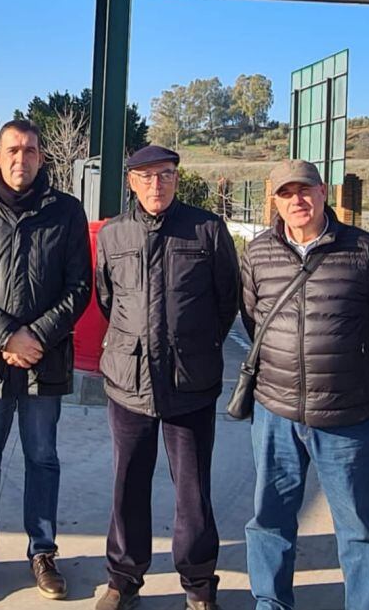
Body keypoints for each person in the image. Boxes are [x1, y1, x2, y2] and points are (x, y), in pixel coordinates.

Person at [241, 159, 369, 610]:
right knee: (270, 519)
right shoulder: (258, 254)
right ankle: (271, 602)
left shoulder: (364, 250)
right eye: (286, 193)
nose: (298, 200)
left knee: (357, 527)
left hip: (346, 415)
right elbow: (252, 320)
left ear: (323, 191)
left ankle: (363, 605)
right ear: (273, 200)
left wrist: (353, 368)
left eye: (305, 190)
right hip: (276, 411)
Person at [0, 119, 91, 603]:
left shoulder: (66, 212)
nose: (21, 158)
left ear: (41, 158)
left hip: (45, 361)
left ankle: (42, 552)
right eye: (13, 149)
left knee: (42, 458)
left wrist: (37, 337)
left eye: (30, 150)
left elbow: (79, 287)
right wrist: (9, 335)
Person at [94, 144, 240, 610]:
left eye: (166, 175)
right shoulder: (113, 235)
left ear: (177, 178)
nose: (157, 184)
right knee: (127, 486)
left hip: (189, 384)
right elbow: (106, 300)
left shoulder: (207, 229)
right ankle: (123, 578)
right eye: (146, 176)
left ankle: (198, 586)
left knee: (193, 492)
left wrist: (191, 346)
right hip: (128, 382)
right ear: (132, 183)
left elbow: (226, 302)